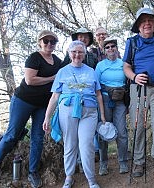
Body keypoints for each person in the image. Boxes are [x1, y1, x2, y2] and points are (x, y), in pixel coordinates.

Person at [0, 30, 62, 188]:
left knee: (37, 137)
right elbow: (30, 80)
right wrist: (52, 78)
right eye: (46, 41)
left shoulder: (58, 61)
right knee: (12, 134)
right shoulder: (34, 57)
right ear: (40, 42)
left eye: (53, 41)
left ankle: (33, 171)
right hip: (23, 100)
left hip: (42, 105)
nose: (49, 44)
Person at [43, 40, 105, 188]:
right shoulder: (62, 72)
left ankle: (91, 179)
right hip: (67, 110)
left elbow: (98, 95)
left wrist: (102, 115)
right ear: (69, 54)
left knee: (86, 145)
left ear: (84, 54)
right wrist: (47, 117)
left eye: (80, 52)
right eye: (74, 52)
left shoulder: (91, 71)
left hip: (89, 112)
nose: (77, 55)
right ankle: (69, 176)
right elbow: (55, 97)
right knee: (70, 145)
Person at [122, 7, 154, 179]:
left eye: (150, 20)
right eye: (143, 21)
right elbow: (126, 66)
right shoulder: (132, 42)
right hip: (138, 89)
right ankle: (138, 161)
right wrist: (134, 76)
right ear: (138, 25)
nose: (147, 23)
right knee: (138, 125)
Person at [62, 27, 100, 170]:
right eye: (80, 36)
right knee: (71, 138)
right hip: (71, 101)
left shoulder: (91, 56)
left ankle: (88, 161)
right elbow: (64, 73)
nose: (83, 39)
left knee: (86, 137)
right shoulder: (70, 56)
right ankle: (73, 167)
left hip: (89, 100)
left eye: (85, 37)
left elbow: (96, 76)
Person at [95, 37, 129, 176]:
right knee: (104, 130)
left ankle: (123, 161)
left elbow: (128, 79)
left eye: (112, 46)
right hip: (105, 99)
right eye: (107, 47)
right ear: (104, 51)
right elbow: (96, 85)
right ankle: (103, 163)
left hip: (120, 100)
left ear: (116, 48)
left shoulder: (123, 63)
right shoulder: (100, 65)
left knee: (121, 131)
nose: (110, 49)